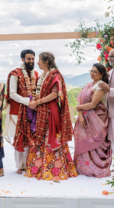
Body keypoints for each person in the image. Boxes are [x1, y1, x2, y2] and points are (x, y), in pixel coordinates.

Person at [25, 52, 78, 181]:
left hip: (50, 111)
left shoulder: (55, 75)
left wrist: (38, 102)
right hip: (44, 110)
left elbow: (55, 94)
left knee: (50, 136)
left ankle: (53, 169)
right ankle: (40, 167)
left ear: (46, 62)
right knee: (43, 136)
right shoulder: (46, 75)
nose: (37, 63)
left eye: (39, 60)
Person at [3, 49, 38, 175]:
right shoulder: (15, 74)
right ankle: (19, 166)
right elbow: (12, 94)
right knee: (19, 138)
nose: (31, 61)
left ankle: (29, 163)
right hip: (18, 111)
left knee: (31, 138)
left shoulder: (36, 74)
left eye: (33, 59)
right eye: (29, 59)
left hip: (33, 111)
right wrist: (28, 102)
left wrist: (35, 103)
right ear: (23, 60)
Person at [74, 63, 111, 177]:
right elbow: (81, 103)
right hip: (85, 116)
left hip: (97, 119)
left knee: (95, 142)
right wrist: (80, 114)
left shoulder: (100, 86)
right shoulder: (89, 84)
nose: (92, 73)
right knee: (84, 140)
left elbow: (93, 104)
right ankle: (83, 168)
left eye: (95, 71)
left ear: (102, 74)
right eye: (91, 70)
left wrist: (79, 108)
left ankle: (96, 168)